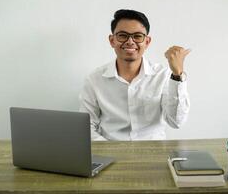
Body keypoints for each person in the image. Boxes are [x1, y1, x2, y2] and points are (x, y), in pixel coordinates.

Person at [79, 9, 190, 141]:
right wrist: (111, 152)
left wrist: (177, 74)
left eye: (137, 36)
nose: (130, 41)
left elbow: (176, 122)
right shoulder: (94, 79)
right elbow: (87, 127)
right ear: (112, 40)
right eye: (122, 35)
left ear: (147, 42)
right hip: (111, 152)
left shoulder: (163, 75)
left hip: (154, 152)